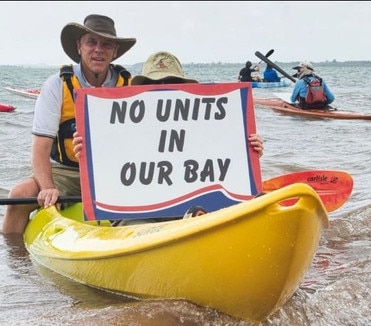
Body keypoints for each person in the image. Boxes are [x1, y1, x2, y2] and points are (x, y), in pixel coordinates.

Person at [73, 51, 265, 224]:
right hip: (135, 215)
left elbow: (220, 157)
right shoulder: (121, 125)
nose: (162, 88)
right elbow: (109, 166)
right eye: (155, 84)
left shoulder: (200, 121)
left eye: (169, 81)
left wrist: (248, 150)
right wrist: (87, 150)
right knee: (135, 228)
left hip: (187, 210)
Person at [1, 14, 136, 235]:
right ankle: (15, 261)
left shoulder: (131, 85)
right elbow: (40, 149)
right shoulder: (57, 85)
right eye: (91, 42)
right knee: (18, 196)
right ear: (79, 46)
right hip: (68, 172)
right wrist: (48, 188)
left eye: (106, 44)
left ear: (114, 52)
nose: (98, 50)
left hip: (116, 173)